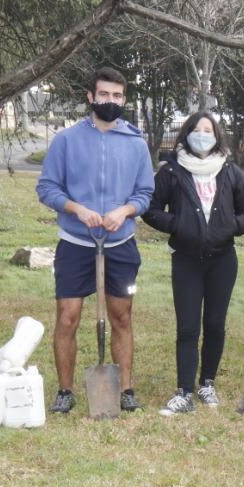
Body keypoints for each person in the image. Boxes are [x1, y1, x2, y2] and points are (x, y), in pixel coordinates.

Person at [37, 67, 155, 414]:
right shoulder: (67, 141)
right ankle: (65, 390)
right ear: (91, 97)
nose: (110, 101)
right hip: (76, 242)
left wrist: (126, 211)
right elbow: (47, 188)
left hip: (120, 244)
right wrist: (75, 208)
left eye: (117, 95)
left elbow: (146, 192)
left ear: (124, 99)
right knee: (67, 315)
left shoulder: (135, 144)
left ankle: (126, 388)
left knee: (121, 316)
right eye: (104, 94)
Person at [144, 112, 244, 415]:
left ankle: (207, 382)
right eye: (196, 129)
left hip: (223, 260)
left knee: (215, 324)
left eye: (208, 130)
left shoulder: (230, 172)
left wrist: (229, 227)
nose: (202, 134)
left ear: (217, 136)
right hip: (186, 260)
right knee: (188, 327)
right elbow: (151, 209)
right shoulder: (171, 171)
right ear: (186, 134)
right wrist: (178, 224)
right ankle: (184, 391)